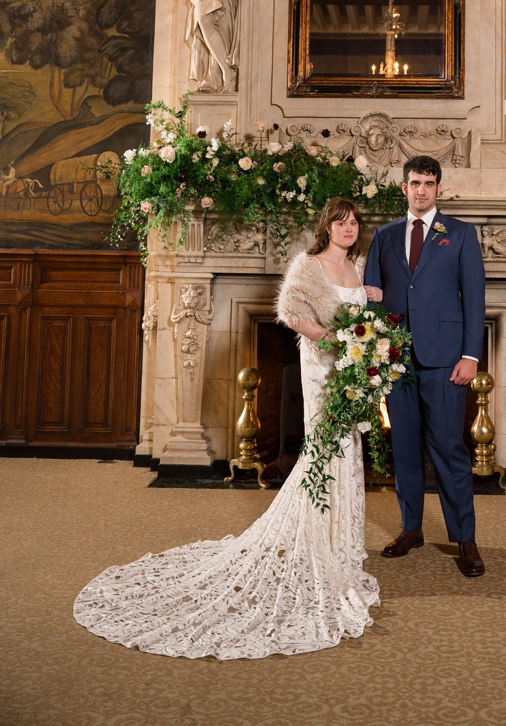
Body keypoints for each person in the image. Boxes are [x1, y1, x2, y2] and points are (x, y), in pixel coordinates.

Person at [73, 198, 380, 657]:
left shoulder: (357, 269)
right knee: (326, 451)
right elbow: (291, 314)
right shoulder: (308, 265)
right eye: (340, 222)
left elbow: (363, 319)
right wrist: (327, 336)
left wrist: (368, 313)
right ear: (326, 227)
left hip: (350, 374)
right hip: (322, 370)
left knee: (347, 453)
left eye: (354, 222)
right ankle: (318, 548)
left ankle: (339, 549)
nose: (348, 228)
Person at [364, 155, 487, 577]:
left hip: (445, 361)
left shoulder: (461, 234)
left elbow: (474, 298)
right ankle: (410, 528)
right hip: (396, 362)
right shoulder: (383, 236)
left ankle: (465, 539)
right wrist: (374, 356)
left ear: (439, 189)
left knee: (450, 449)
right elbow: (371, 300)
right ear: (404, 187)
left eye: (429, 183)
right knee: (406, 448)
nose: (421, 190)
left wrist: (471, 355)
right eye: (415, 183)